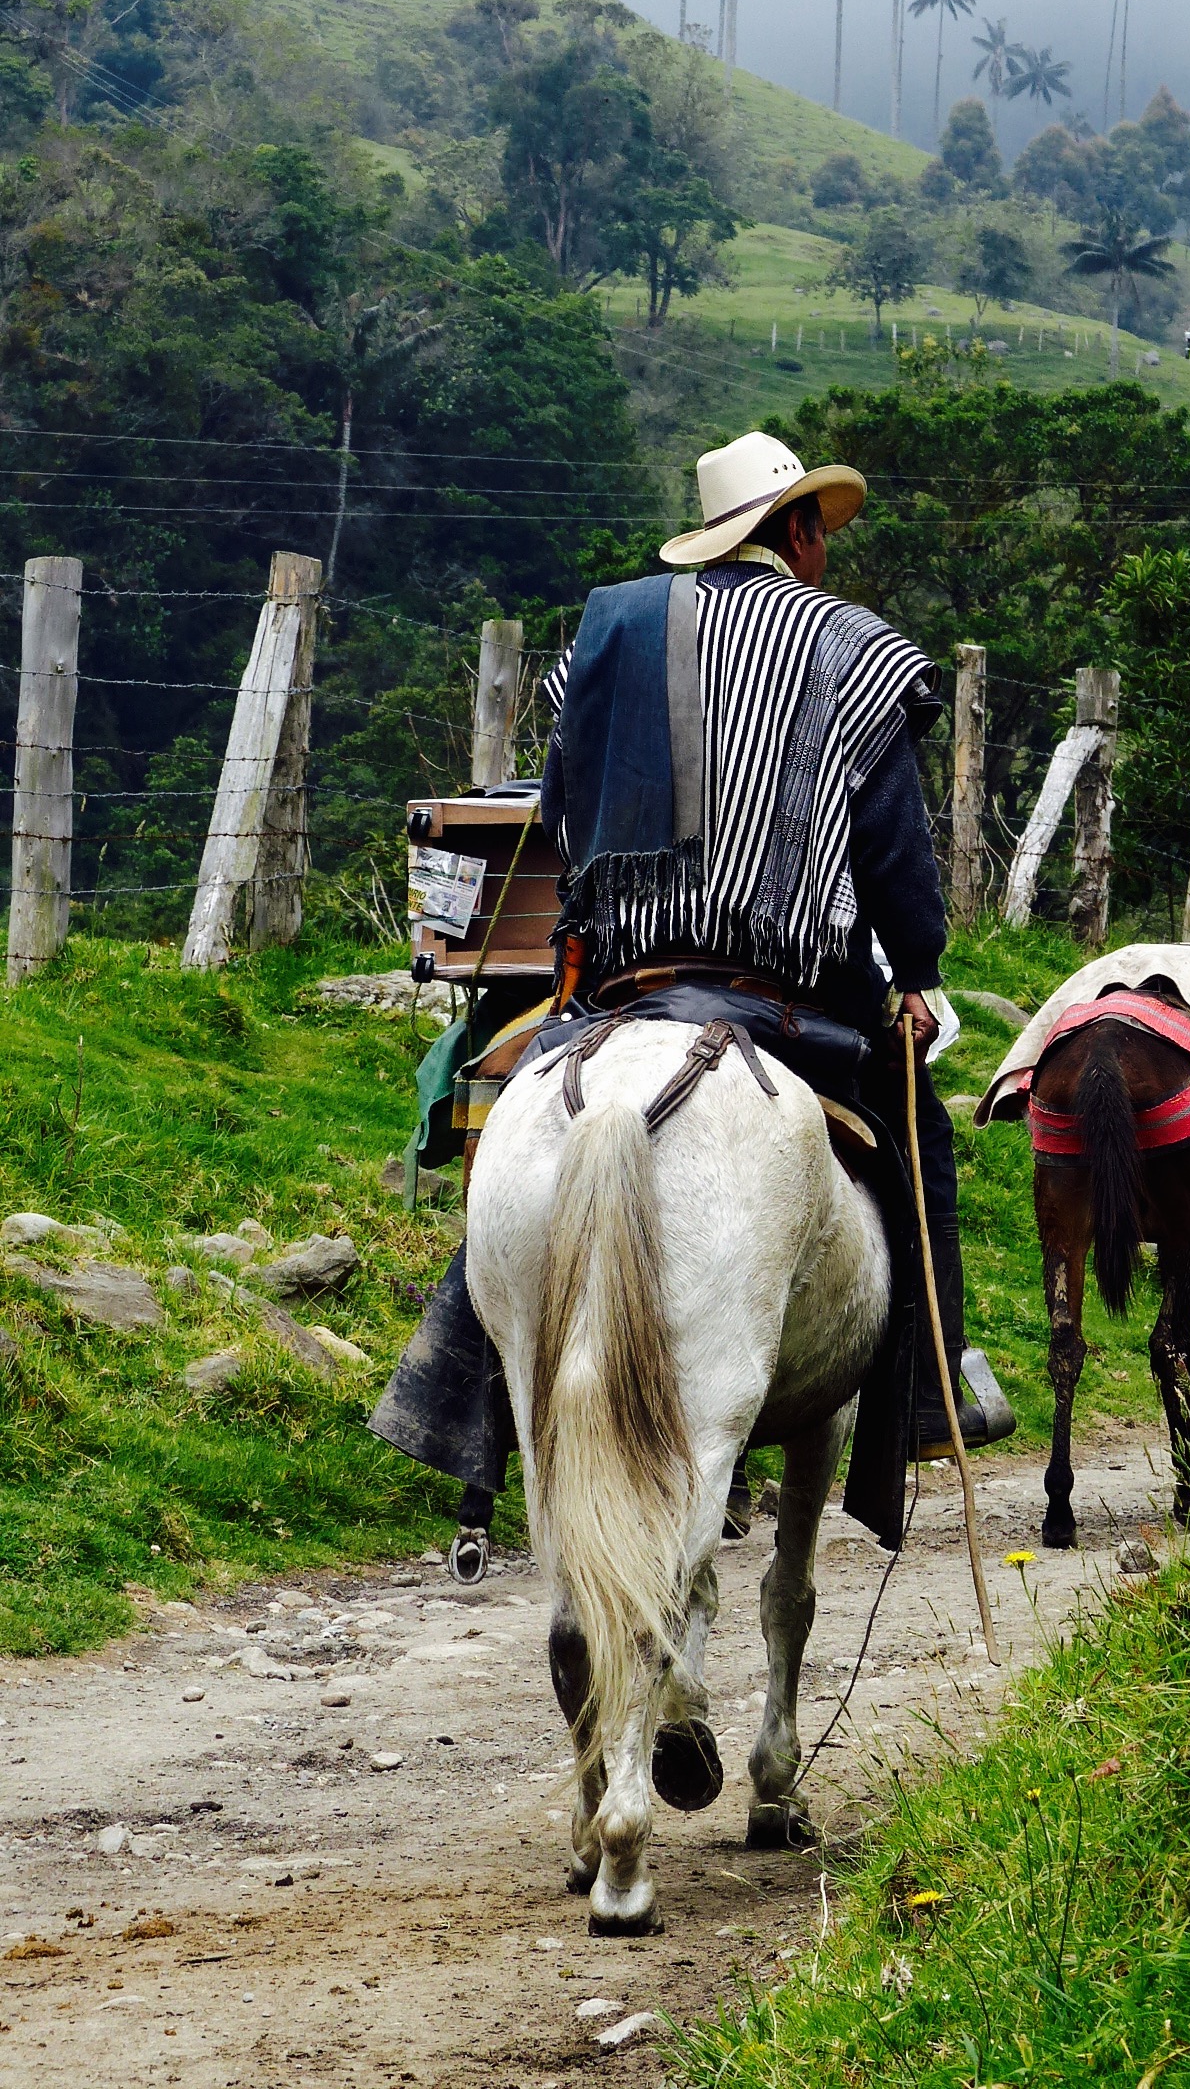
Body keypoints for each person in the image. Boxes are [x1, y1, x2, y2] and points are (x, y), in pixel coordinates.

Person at [372, 430, 1009, 1571]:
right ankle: (932, 1387)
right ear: (798, 532)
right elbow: (897, 861)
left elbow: (563, 812)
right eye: (821, 529)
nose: (825, 549)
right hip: (789, 991)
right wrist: (914, 972)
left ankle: (453, 1392)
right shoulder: (857, 653)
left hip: (620, 979)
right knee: (923, 1142)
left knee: (520, 1122)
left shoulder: (609, 630)